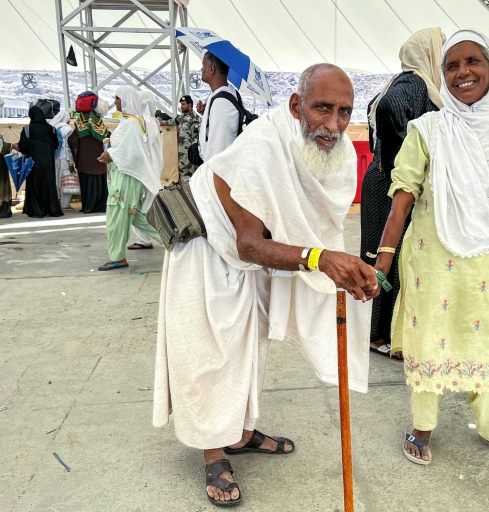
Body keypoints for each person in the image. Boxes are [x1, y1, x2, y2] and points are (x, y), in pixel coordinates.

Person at [153, 64, 377, 507]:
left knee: (248, 347)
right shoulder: (263, 145)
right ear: (296, 106)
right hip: (205, 248)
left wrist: (343, 266)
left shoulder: (338, 154)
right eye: (322, 109)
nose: (333, 125)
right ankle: (213, 450)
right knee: (209, 351)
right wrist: (320, 260)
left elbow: (320, 228)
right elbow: (250, 243)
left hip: (249, 261)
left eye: (344, 112)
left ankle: (239, 432)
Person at [376, 31, 489, 467]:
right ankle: (422, 427)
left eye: (472, 61)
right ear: (441, 75)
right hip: (430, 260)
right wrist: (380, 264)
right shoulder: (428, 129)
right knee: (430, 341)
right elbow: (401, 198)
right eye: (452, 66)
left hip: (484, 261)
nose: (463, 73)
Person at [360, 28, 444, 358]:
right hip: (391, 184)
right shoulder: (413, 83)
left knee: (381, 253)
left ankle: (377, 331)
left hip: (384, 180)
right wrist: (398, 163)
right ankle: (382, 336)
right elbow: (388, 110)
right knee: (390, 255)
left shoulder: (399, 81)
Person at [97, 86, 161, 271]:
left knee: (117, 215)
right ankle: (174, 240)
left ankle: (117, 257)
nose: (115, 101)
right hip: (123, 176)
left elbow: (132, 153)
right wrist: (111, 146)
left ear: (126, 100)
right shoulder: (129, 122)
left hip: (126, 178)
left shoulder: (133, 124)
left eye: (118, 98)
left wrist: (111, 154)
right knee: (134, 216)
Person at [128, 90, 165, 251]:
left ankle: (144, 239)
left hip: (145, 169)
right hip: (155, 168)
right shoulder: (154, 122)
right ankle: (146, 238)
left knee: (137, 206)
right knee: (147, 205)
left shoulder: (143, 123)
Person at [18, 107, 62, 218]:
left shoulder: (27, 129)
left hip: (33, 164)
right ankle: (51, 209)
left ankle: (37, 210)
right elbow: (56, 145)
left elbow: (23, 147)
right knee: (49, 186)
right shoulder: (51, 129)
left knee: (34, 186)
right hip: (48, 164)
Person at [198, 51, 242, 163]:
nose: (201, 69)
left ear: (211, 69)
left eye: (204, 66)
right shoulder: (228, 93)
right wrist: (207, 114)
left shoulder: (222, 103)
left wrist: (207, 177)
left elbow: (218, 151)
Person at [68, 98, 110, 214]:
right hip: (100, 161)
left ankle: (88, 207)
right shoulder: (100, 125)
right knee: (101, 184)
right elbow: (109, 137)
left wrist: (76, 157)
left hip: (85, 161)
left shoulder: (81, 125)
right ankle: (102, 206)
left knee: (87, 185)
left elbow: (72, 141)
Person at [160, 94, 201, 178]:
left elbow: (197, 137)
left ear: (190, 105)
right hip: (182, 152)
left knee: (193, 176)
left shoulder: (195, 119)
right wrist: (161, 123)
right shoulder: (182, 117)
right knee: (183, 176)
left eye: (183, 104)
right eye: (181, 104)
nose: (181, 106)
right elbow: (172, 122)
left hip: (190, 154)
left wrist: (194, 155)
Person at [49, 111, 75, 210]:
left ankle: (56, 201)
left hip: (54, 158)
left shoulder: (53, 127)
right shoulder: (67, 129)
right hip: (64, 157)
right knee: (66, 180)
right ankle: (65, 204)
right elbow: (68, 146)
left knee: (56, 180)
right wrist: (71, 161)